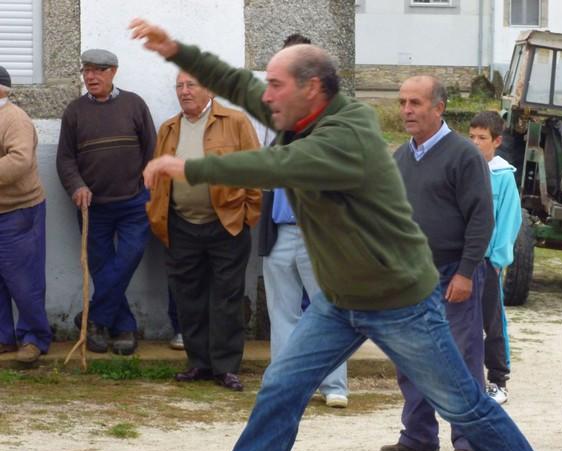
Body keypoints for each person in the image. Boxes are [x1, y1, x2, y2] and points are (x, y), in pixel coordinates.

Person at [130, 18, 562, 451]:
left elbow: (281, 165)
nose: (265, 96)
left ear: (312, 90)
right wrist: (177, 49)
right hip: (338, 300)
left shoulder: (349, 134)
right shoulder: (296, 112)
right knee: (280, 389)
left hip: (399, 300)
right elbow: (239, 84)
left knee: (466, 408)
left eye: (276, 86)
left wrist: (190, 166)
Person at [378, 76, 492, 451]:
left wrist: (466, 272)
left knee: (460, 357)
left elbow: (481, 218)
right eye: (402, 102)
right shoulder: (400, 157)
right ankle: (418, 435)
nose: (406, 110)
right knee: (410, 357)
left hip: (453, 273)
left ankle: (471, 440)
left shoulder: (464, 155)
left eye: (415, 103)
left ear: (438, 108)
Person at [148, 71, 261, 391]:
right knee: (189, 297)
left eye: (191, 85)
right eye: (179, 86)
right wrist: (157, 213)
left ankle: (226, 367)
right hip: (181, 225)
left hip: (226, 223)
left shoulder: (235, 121)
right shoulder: (169, 128)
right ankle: (198, 363)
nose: (184, 91)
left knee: (227, 297)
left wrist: (246, 215)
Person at [258, 32, 349, 408]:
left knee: (329, 311)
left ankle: (334, 385)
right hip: (279, 232)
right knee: (282, 314)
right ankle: (284, 385)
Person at [56, 49, 156, 355]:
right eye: (86, 70)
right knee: (101, 267)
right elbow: (65, 159)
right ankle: (123, 326)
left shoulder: (134, 104)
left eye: (98, 70)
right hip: (93, 206)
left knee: (127, 258)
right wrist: (77, 186)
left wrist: (146, 186)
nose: (90, 76)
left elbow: (151, 149)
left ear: (113, 71)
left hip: (133, 203)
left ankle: (94, 318)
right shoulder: (75, 111)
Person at [468, 111, 522, 405]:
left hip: (488, 262)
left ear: (497, 141)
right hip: (464, 260)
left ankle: (499, 380)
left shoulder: (503, 177)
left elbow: (509, 221)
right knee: (465, 321)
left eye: (482, 138)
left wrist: (498, 261)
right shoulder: (464, 171)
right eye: (472, 137)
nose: (476, 143)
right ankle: (469, 377)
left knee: (492, 321)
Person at [0, 65, 51, 367]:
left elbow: (19, 161)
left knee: (24, 281)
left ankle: (35, 338)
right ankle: (3, 337)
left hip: (19, 211)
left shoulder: (14, 118)